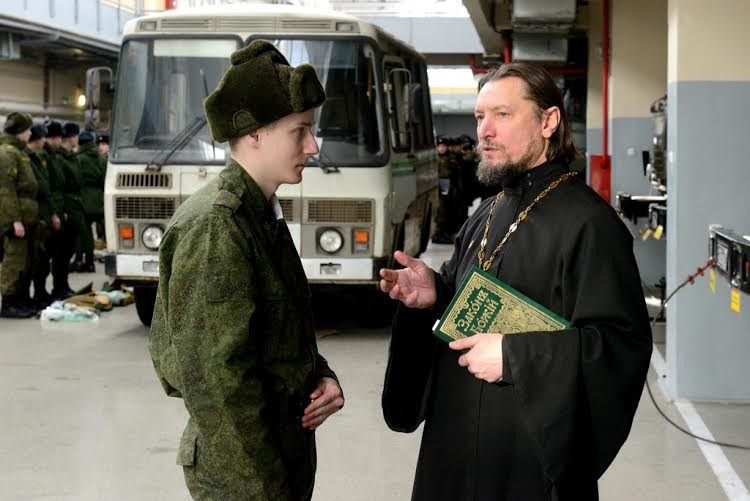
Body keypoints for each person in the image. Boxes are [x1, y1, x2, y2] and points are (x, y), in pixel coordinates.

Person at [379, 62, 652, 500]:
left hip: (527, 463)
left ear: (548, 121)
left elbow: (620, 346)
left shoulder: (590, 225)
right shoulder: (485, 215)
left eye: (502, 115)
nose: (484, 131)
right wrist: (436, 296)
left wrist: (515, 356)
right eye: (479, 117)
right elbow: (467, 308)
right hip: (453, 446)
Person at [149, 40, 344, 500]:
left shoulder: (260, 214)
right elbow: (217, 384)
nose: (313, 146)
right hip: (245, 473)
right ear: (254, 134)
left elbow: (278, 331)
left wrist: (320, 375)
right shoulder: (218, 227)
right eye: (300, 131)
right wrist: (263, 492)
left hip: (277, 451)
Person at [0, 112, 38, 318]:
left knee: (24, 261)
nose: (30, 133)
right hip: (16, 218)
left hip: (26, 215)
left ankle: (20, 299)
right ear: (19, 131)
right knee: (13, 260)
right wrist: (14, 220)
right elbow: (6, 191)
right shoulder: (7, 153)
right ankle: (8, 302)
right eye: (28, 129)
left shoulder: (18, 152)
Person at [23, 123, 54, 307]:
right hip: (34, 212)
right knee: (33, 259)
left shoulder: (36, 157)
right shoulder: (28, 158)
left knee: (42, 257)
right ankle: (31, 296)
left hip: (40, 212)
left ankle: (39, 292)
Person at [42, 120, 74, 300]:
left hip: (59, 207)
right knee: (48, 254)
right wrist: (54, 213)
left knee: (62, 252)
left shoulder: (53, 155)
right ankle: (46, 290)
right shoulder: (46, 156)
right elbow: (48, 187)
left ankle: (61, 286)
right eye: (59, 137)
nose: (61, 140)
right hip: (51, 210)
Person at [76, 130, 106, 272]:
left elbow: (76, 179)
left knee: (85, 233)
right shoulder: (102, 158)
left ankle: (87, 261)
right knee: (105, 231)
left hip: (84, 199)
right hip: (100, 199)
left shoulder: (79, 159)